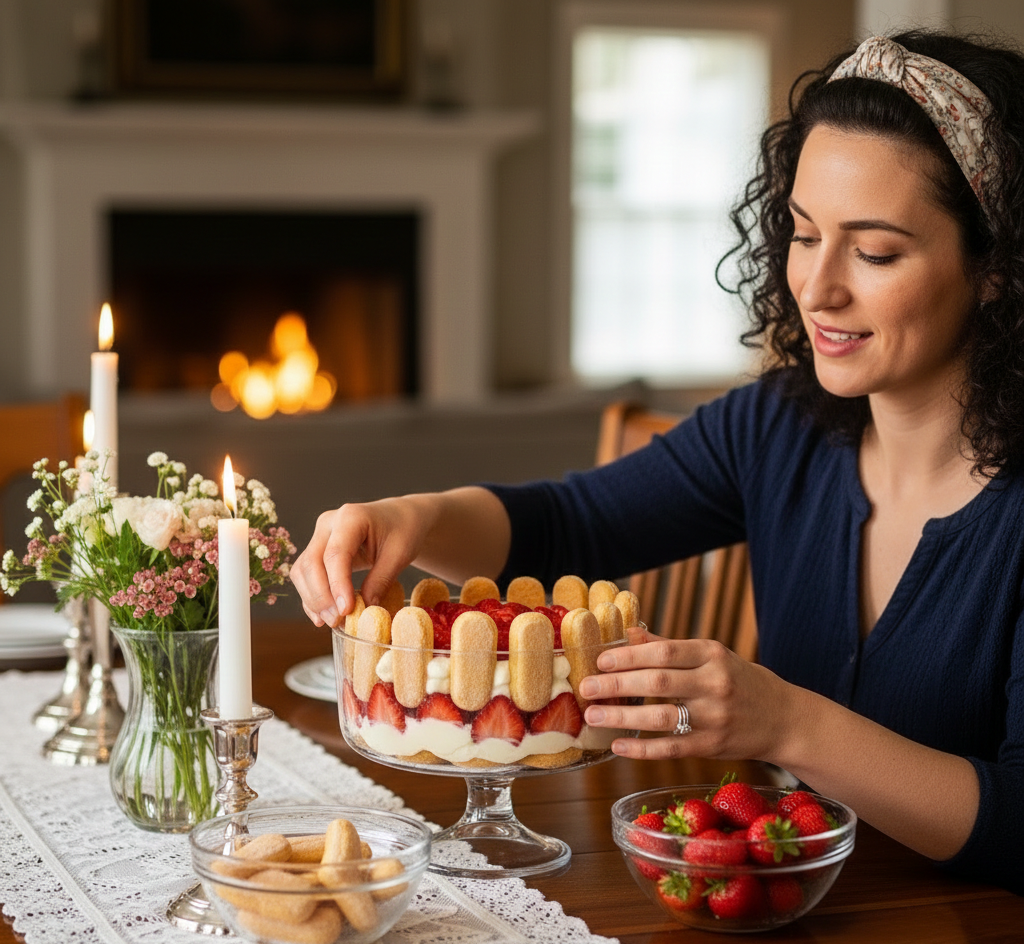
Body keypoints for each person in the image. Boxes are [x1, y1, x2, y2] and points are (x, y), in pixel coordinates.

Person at [290, 30, 1024, 894]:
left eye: (875, 252)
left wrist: (785, 723)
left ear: (996, 266)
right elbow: (566, 526)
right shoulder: (779, 425)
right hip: (781, 903)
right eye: (802, 234)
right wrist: (409, 517)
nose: (818, 287)